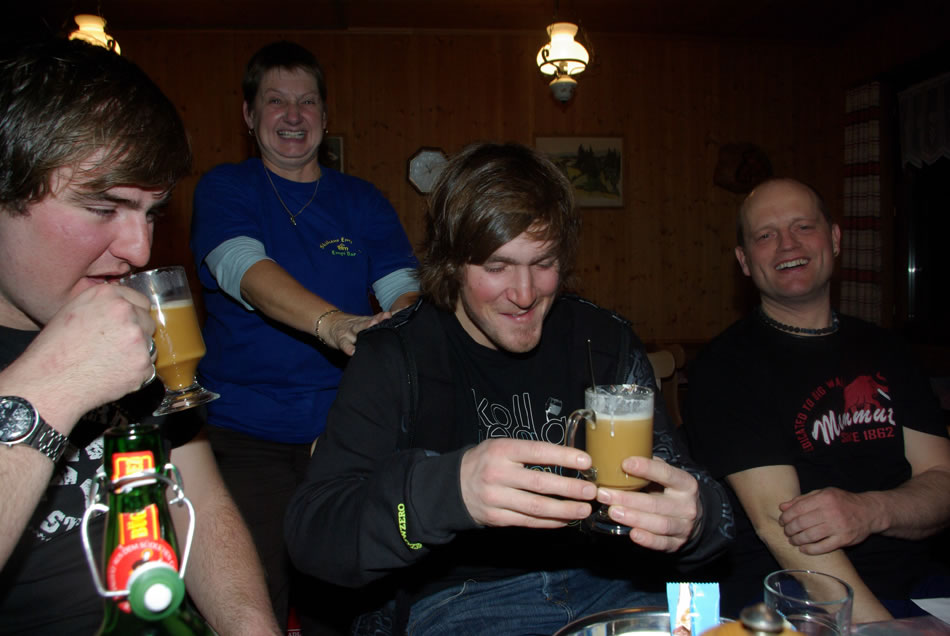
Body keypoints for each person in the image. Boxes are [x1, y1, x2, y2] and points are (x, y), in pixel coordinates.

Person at [285, 142, 733, 635]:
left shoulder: (603, 341)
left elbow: (700, 503)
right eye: (497, 267)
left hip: (616, 583)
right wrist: (449, 491)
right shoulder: (395, 355)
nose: (525, 294)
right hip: (462, 602)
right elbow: (313, 537)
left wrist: (697, 520)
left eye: (543, 262)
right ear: (452, 262)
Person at [0, 39, 280, 634]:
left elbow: (196, 499)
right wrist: (54, 385)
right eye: (104, 208)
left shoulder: (132, 322)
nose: (140, 249)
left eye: (151, 212)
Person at [189, 40, 419, 631]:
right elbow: (243, 269)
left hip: (343, 436)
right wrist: (332, 323)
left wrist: (411, 321)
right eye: (276, 101)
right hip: (244, 436)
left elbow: (403, 287)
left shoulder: (360, 199)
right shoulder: (226, 187)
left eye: (307, 102)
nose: (293, 116)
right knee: (251, 602)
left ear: (324, 114)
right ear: (248, 115)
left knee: (345, 602)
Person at [684, 177, 950, 622]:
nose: (787, 244)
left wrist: (870, 510)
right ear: (745, 261)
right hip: (789, 596)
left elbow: (942, 481)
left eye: (803, 226)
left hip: (921, 586)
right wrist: (880, 631)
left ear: (835, 238)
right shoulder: (725, 365)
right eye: (765, 235)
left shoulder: (890, 350)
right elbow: (779, 528)